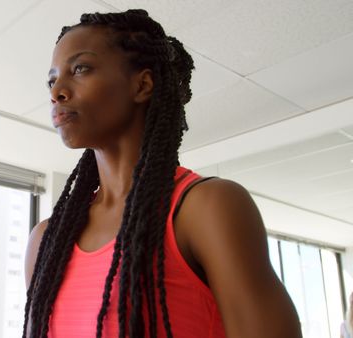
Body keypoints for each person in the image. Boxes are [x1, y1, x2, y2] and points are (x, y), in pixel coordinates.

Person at [23, 9, 302, 338]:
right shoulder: (45, 240)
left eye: (80, 68)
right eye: (52, 80)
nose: (57, 92)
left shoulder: (207, 208)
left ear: (142, 85)